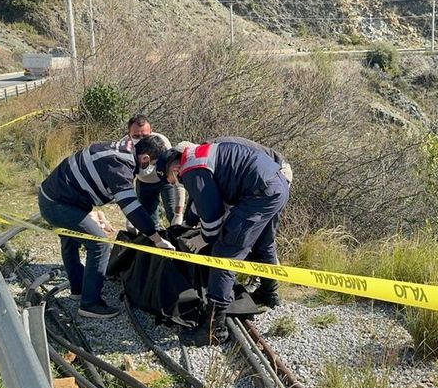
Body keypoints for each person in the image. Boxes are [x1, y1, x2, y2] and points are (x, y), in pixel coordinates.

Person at [140, 139, 290, 345]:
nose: (175, 184)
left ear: (174, 169)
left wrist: (203, 238)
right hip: (276, 185)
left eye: (172, 180)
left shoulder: (191, 170)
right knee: (264, 244)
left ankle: (213, 328)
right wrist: (187, 224)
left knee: (224, 254)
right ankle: (269, 293)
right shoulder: (197, 156)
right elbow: (203, 201)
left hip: (260, 195)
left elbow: (212, 216)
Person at [39, 136, 176, 319]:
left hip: (59, 196)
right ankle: (90, 303)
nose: (152, 169)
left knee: (71, 239)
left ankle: (79, 289)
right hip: (58, 203)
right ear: (145, 159)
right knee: (100, 244)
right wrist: (156, 238)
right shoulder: (120, 165)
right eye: (153, 164)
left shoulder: (123, 149)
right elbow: (131, 206)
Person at [119, 114, 186, 228]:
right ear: (129, 134)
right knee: (149, 222)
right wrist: (130, 216)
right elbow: (125, 182)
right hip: (144, 183)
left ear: (151, 132)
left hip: (165, 181)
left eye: (145, 136)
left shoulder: (162, 143)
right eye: (136, 136)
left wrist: (178, 213)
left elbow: (177, 177)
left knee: (173, 217)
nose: (141, 140)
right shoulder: (123, 147)